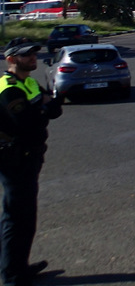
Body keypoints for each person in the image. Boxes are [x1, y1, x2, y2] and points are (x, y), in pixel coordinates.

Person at [0, 38, 62, 286]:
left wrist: (43, 109)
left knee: (27, 215)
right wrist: (42, 109)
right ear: (11, 60)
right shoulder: (8, 88)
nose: (33, 58)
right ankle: (11, 275)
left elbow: (56, 109)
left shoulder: (30, 83)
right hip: (14, 159)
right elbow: (26, 124)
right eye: (27, 55)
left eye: (35, 54)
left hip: (30, 155)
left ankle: (19, 266)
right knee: (15, 217)